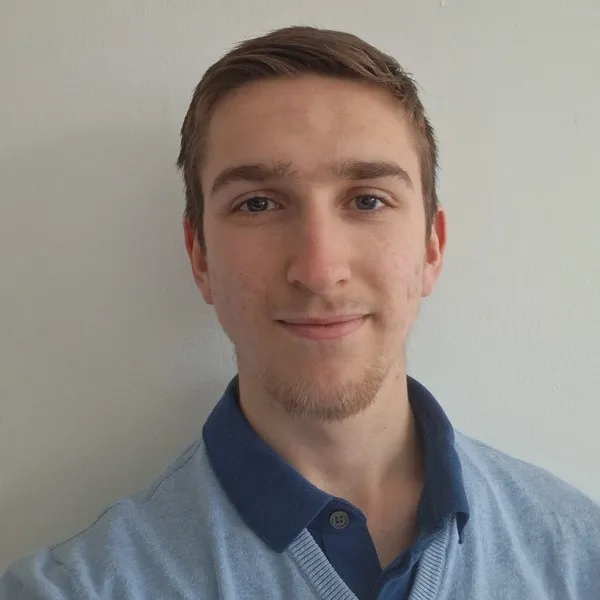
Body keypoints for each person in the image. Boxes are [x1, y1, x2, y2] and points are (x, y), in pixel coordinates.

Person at [1, 24, 599, 600]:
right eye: (258, 204)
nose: (318, 269)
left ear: (431, 249)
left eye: (368, 200)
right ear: (199, 256)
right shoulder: (74, 589)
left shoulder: (581, 557)